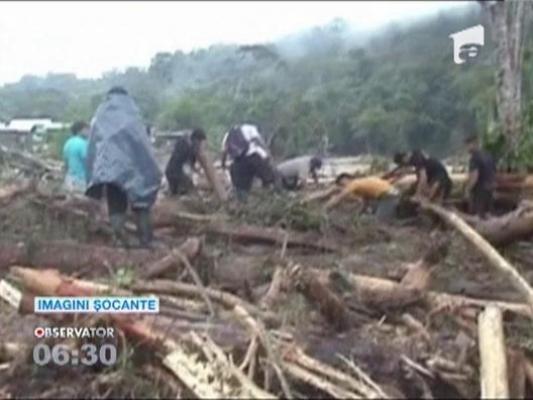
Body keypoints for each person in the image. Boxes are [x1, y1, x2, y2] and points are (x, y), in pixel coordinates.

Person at [85, 87, 162, 248]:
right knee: (142, 201)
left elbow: (92, 146)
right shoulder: (132, 115)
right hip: (134, 167)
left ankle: (120, 239)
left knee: (116, 202)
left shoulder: (100, 116)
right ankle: (146, 240)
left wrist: (93, 174)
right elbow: (142, 143)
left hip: (109, 169)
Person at [221, 123, 277, 201]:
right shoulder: (250, 128)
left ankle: (243, 205)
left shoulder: (228, 135)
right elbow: (258, 141)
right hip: (254, 157)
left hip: (238, 163)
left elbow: (224, 152)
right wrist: (268, 154)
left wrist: (223, 165)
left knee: (241, 188)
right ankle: (272, 199)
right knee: (270, 179)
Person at [324, 174, 400, 221]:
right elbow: (365, 203)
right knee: (370, 206)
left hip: (389, 197)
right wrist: (357, 215)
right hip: (389, 196)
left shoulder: (354, 183)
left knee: (379, 221)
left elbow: (340, 197)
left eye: (342, 184)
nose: (343, 187)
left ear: (346, 179)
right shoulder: (364, 182)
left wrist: (326, 208)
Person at [165, 128, 207, 196]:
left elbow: (191, 164)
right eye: (200, 142)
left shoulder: (184, 141)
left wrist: (198, 172)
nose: (199, 145)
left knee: (175, 193)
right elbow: (190, 165)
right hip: (175, 174)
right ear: (196, 140)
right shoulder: (188, 146)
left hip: (170, 172)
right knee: (190, 189)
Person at [464, 135, 496, 218]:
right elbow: (493, 171)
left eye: (468, 145)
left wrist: (467, 189)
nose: (467, 148)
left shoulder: (474, 158)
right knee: (489, 214)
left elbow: (474, 176)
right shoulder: (488, 155)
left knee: (478, 215)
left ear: (474, 144)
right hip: (490, 187)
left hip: (479, 190)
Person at [62, 121, 89, 194]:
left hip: (69, 179)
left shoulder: (68, 143)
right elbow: (88, 161)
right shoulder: (83, 144)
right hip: (81, 180)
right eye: (86, 129)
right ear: (79, 131)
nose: (88, 131)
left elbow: (66, 163)